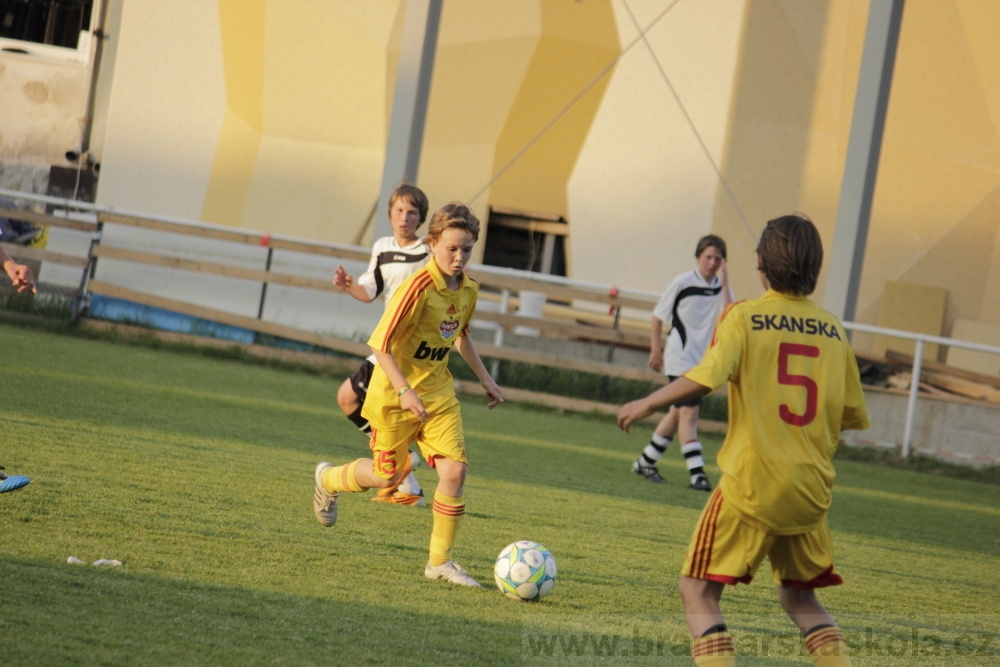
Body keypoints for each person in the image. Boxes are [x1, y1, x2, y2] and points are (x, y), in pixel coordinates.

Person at [618, 214, 868, 667]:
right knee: (800, 600)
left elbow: (705, 377)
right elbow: (848, 414)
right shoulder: (835, 332)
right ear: (816, 266)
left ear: (760, 265)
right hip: (811, 492)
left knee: (697, 590)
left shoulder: (745, 317)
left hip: (753, 485)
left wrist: (648, 402)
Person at [313, 201, 504, 587]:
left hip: (437, 395)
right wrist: (403, 391)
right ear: (432, 244)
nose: (459, 257)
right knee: (386, 477)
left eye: (466, 249)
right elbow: (380, 345)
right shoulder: (417, 289)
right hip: (393, 396)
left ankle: (439, 563)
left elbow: (460, 335)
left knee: (456, 471)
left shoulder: (468, 289)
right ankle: (329, 480)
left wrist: (485, 378)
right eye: (452, 248)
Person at [332, 183, 430, 507]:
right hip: (385, 345)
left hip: (404, 351)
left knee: (348, 397)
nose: (404, 217)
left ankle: (404, 462)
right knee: (352, 401)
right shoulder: (382, 247)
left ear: (421, 218)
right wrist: (349, 286)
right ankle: (409, 486)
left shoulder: (429, 252)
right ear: (389, 215)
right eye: (399, 211)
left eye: (411, 212)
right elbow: (369, 290)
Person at [633, 235, 732, 491]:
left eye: (717, 258)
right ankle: (697, 474)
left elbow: (730, 314)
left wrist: (727, 279)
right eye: (708, 257)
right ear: (698, 256)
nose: (712, 263)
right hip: (680, 356)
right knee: (689, 414)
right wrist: (657, 350)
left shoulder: (722, 286)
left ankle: (646, 461)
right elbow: (657, 318)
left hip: (703, 362)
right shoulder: (682, 282)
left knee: (678, 411)